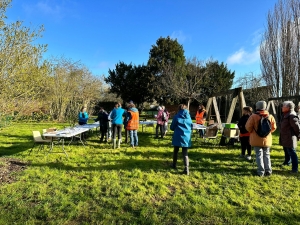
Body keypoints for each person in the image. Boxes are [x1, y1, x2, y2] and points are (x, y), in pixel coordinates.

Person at [245, 101, 277, 177]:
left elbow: (248, 127)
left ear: (257, 107)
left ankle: (260, 171)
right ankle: (268, 171)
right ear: (265, 107)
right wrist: (267, 133)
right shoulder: (270, 116)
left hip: (256, 139)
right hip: (267, 139)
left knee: (259, 155)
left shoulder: (253, 116)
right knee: (267, 155)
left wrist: (253, 132)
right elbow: (274, 127)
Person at [170, 104, 193, 175]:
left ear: (179, 109)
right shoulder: (189, 117)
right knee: (185, 152)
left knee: (176, 151)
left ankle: (174, 165)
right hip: (186, 136)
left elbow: (172, 127)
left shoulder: (176, 117)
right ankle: (186, 168)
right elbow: (191, 126)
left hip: (178, 136)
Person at [279, 101, 300, 173]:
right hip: (285, 136)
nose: (282, 107)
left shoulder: (291, 115)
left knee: (292, 152)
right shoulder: (285, 114)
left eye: (283, 106)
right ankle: (287, 162)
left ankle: (295, 169)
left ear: (288, 108)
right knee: (286, 150)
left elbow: (297, 127)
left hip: (290, 137)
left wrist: (298, 135)